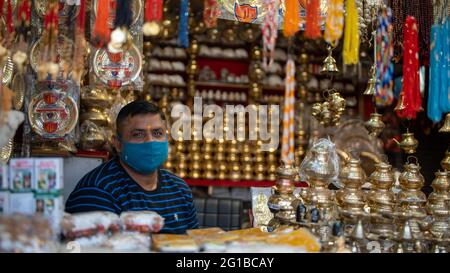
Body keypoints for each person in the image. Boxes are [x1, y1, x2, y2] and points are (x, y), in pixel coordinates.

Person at [66, 100, 198, 234]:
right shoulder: (96, 191)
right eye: (138, 134)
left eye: (157, 133)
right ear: (118, 144)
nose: (150, 141)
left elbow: (194, 244)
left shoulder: (180, 189)